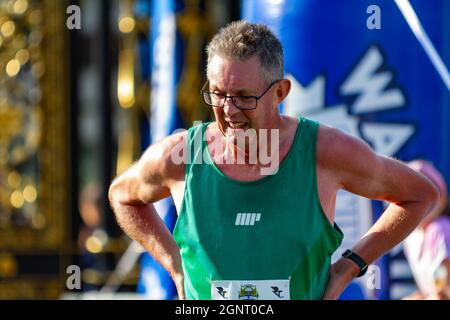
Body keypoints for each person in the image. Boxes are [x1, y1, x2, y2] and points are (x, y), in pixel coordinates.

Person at [108, 21, 438, 300]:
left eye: (243, 97)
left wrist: (348, 266)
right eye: (218, 94)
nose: (228, 110)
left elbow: (419, 194)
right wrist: (174, 265)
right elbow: (123, 195)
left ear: (280, 92)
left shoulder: (323, 151)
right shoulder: (182, 156)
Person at [402, 160, 450, 300]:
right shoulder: (411, 237)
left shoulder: (439, 228)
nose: (420, 203)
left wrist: (437, 292)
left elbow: (442, 273)